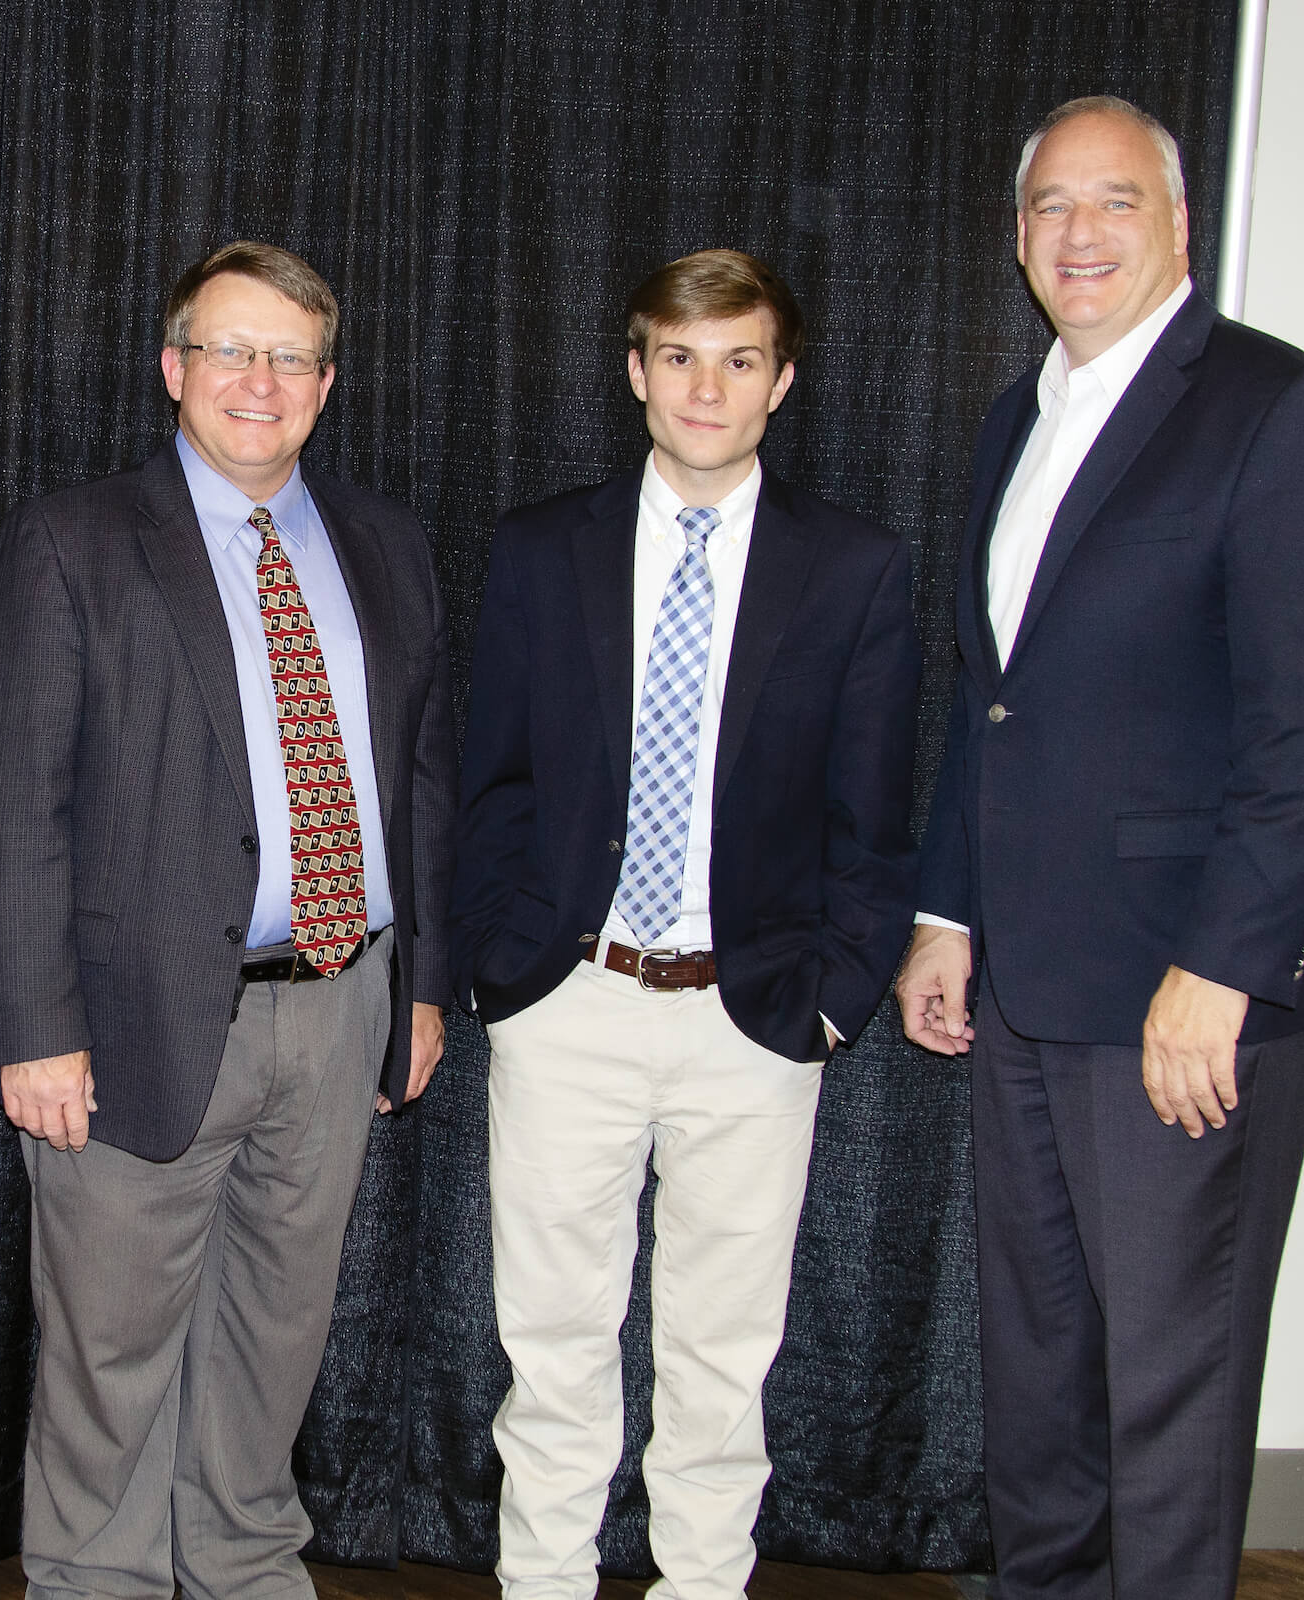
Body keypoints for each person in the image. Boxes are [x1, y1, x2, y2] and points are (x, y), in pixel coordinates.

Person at [895, 96, 1304, 1599]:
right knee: (1040, 1361)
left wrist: (1220, 973)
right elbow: (1000, 699)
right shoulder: (1021, 417)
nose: (1079, 232)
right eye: (1049, 206)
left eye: (1114, 201)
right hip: (1029, 986)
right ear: (1019, 240)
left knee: (1174, 1378)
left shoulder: (1281, 410)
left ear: (1180, 223)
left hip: (1188, 1002)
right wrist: (946, 914)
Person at [0, 240, 452, 1600]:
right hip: (132, 1019)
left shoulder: (387, 546)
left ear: (328, 383)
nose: (261, 380)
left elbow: (420, 780)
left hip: (344, 1002)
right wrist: (34, 1030)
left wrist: (418, 988)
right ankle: (96, 1581)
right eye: (232, 350)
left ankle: (241, 1566)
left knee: (277, 1337)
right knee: (111, 1357)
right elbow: (11, 806)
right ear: (175, 369)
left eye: (291, 358)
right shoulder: (77, 538)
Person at [451, 250, 919, 1599]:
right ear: (636, 370)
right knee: (552, 1342)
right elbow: (493, 781)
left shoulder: (855, 570)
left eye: (736, 360)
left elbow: (873, 823)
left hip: (757, 1015)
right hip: (570, 1001)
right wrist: (501, 970)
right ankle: (541, 1582)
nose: (703, 388)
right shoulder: (545, 550)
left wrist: (832, 998)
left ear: (781, 380)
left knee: (724, 1358)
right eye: (676, 356)